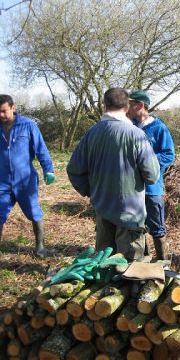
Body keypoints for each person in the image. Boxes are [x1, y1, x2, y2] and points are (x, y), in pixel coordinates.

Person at [67, 88, 160, 261]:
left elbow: (74, 170)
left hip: (102, 210)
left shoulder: (91, 134)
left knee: (104, 265)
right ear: (126, 107)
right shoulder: (136, 135)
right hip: (131, 213)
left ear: (104, 106)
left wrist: (91, 191)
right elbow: (152, 175)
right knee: (130, 268)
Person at [0, 94, 55, 258]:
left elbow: (40, 148)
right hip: (2, 180)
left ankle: (40, 246)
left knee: (33, 211)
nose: (1, 115)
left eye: (4, 111)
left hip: (25, 179)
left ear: (13, 108)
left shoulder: (28, 125)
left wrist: (48, 169)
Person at [128, 90, 175, 260]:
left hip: (152, 188)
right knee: (135, 227)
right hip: (131, 189)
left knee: (157, 227)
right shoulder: (128, 126)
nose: (127, 108)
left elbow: (169, 154)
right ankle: (141, 261)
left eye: (130, 104)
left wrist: (146, 161)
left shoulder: (159, 128)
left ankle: (163, 262)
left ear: (140, 106)